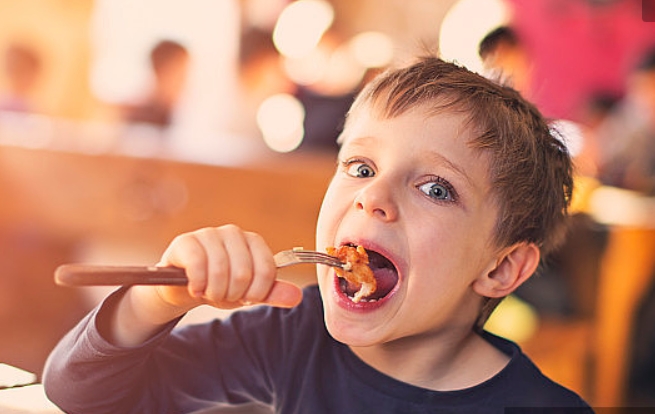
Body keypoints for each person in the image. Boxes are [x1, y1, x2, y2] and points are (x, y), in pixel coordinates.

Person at [42, 56, 591, 413]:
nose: (372, 197)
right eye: (360, 166)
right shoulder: (293, 336)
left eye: (436, 189)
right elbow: (81, 394)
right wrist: (155, 301)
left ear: (499, 268)